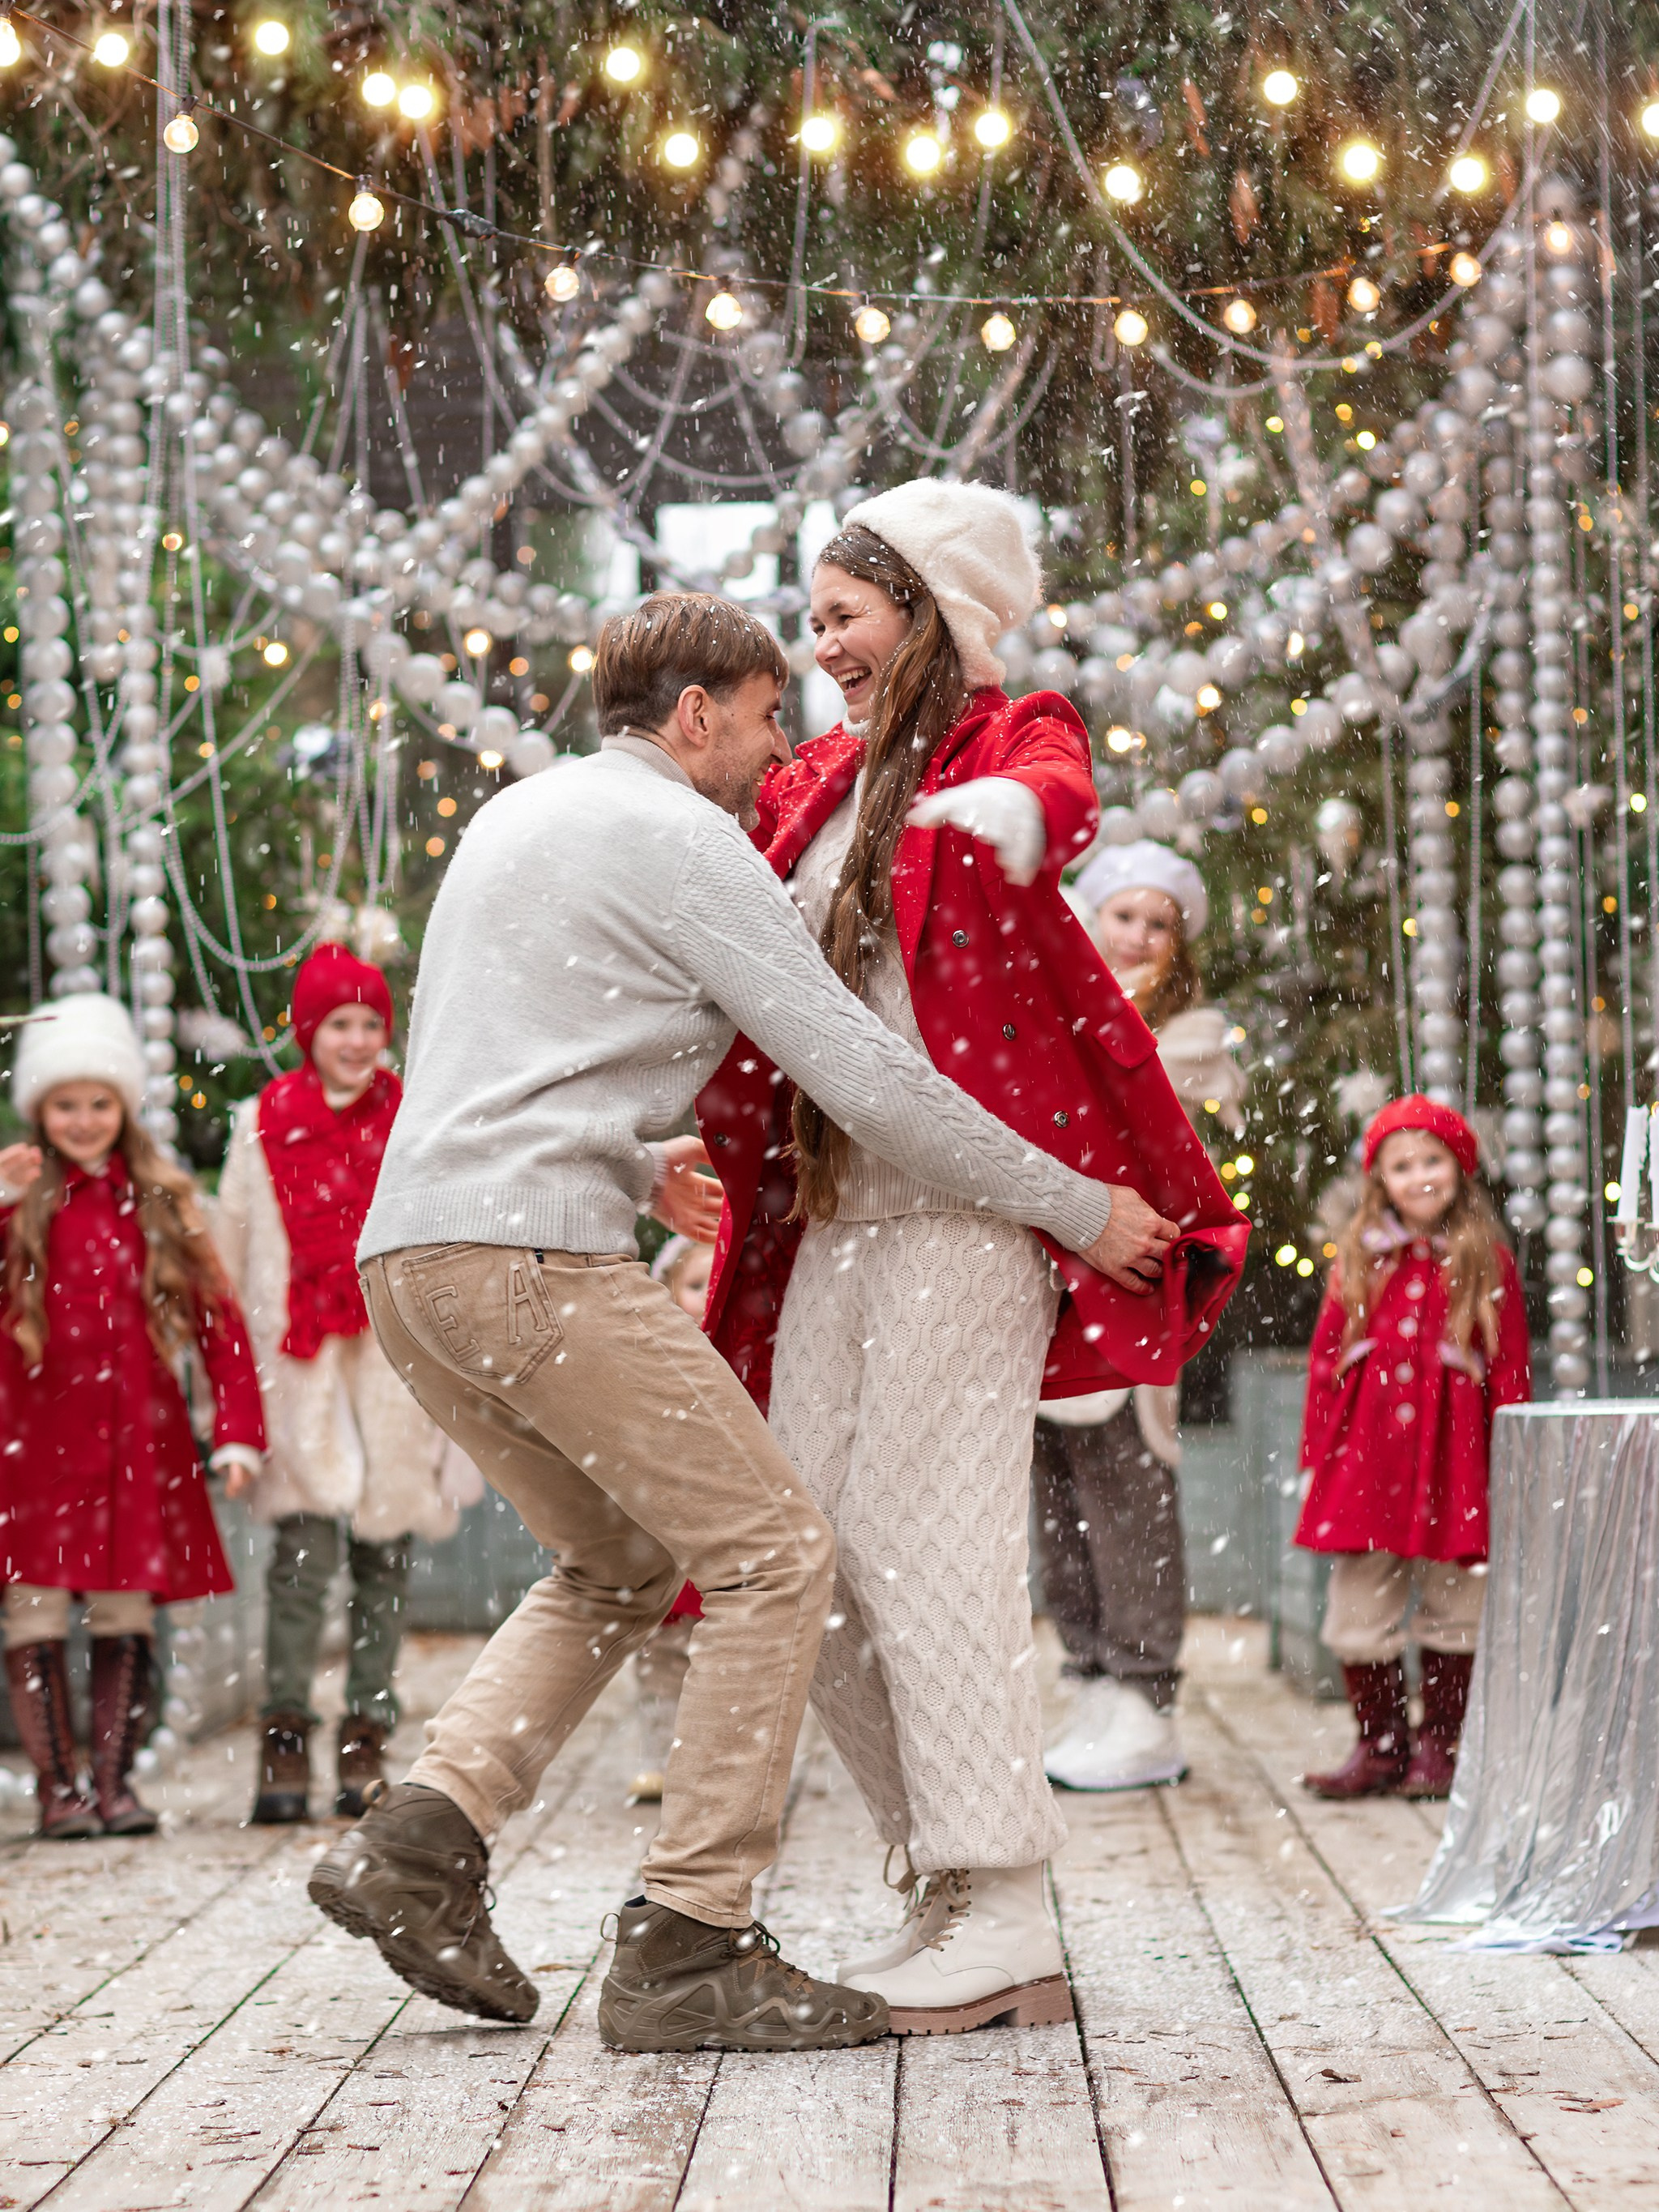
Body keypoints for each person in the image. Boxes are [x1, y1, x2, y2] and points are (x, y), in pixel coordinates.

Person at [311, 590, 1172, 2055]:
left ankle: (420, 1836)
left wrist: (635, 1160)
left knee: (619, 1559)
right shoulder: (682, 837)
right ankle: (691, 1934)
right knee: (778, 1554)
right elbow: (866, 1081)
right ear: (695, 713)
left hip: (414, 1264)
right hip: (537, 1264)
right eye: (770, 713)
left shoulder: (522, 817)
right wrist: (1075, 1204)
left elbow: (498, 1049)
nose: (786, 745)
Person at [697, 485, 1247, 2035]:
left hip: (974, 1218)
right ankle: (941, 1877)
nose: (822, 646)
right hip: (833, 1219)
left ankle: (1001, 1899)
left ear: (930, 606)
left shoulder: (1001, 740)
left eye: (846, 616)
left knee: (920, 1539)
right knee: (790, 1559)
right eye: (811, 621)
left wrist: (1019, 822)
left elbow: (1058, 785)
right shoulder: (819, 777)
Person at [215, 941, 478, 1826]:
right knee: (301, 1560)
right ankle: (284, 1736)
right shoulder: (262, 1125)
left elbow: (440, 1238)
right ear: (308, 1031)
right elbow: (230, 1257)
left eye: (372, 1023)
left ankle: (365, 1735)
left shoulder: (409, 1123)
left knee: (385, 1557)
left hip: (391, 1369)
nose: (359, 1040)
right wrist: (240, 1412)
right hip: (301, 1370)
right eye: (341, 1024)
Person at [0, 994, 264, 1838]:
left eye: (100, 1102)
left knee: (124, 1611)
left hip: (130, 1448)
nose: (83, 1120)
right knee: (35, 1610)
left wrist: (237, 1431)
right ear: (40, 1109)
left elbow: (222, 1326)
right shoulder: (18, 1199)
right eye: (66, 1104)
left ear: (123, 1105)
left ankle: (111, 1784)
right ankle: (57, 1789)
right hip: (32, 1447)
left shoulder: (157, 1202)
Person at [1036, 839, 1246, 1792]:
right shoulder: (1041, 1004)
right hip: (1046, 1272)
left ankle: (1142, 1689)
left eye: (1159, 924)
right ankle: (1087, 1673)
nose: (1138, 935)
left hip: (1126, 1274)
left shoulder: (1186, 1040)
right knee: (1054, 1490)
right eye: (1125, 915)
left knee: (1126, 1481)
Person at [1294, 1095, 1529, 1799]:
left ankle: (1442, 1746)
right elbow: (1322, 1365)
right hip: (1367, 1460)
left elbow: (1510, 1367)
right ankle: (1381, 1743)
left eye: (1433, 1162)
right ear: (1380, 1180)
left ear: (1459, 1170)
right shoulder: (1359, 1263)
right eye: (1403, 1166)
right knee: (1359, 1608)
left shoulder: (1486, 1261)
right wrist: (1316, 1460)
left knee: (1459, 1605)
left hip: (1455, 1458)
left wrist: (1508, 1460)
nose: (1421, 1177)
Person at [628, 1234, 714, 1803]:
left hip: (719, 1534)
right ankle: (658, 1753)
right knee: (660, 1652)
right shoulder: (651, 1359)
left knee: (720, 1652)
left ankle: (712, 1758)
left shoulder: (752, 1357)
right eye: (693, 1284)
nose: (706, 1298)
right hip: (667, 1531)